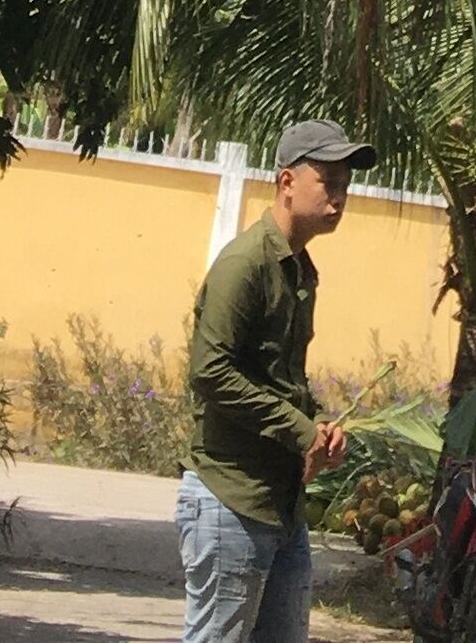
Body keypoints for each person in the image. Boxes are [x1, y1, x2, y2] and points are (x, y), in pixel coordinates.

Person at [176, 121, 376, 643]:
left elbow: (282, 378)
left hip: (281, 504)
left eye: (345, 184)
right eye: (328, 181)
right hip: (231, 499)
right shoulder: (245, 264)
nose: (339, 197)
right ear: (287, 182)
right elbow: (210, 372)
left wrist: (318, 425)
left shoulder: (300, 270)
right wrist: (299, 429)